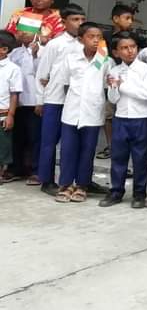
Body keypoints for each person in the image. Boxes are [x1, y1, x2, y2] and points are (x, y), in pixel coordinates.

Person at [52, 23, 110, 202]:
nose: (95, 40)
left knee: (87, 151)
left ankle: (82, 185)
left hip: (93, 112)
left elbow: (107, 85)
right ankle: (65, 184)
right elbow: (64, 83)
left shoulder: (104, 60)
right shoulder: (71, 59)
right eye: (91, 37)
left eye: (99, 37)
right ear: (80, 39)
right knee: (68, 150)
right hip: (71, 112)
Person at [99, 32, 147, 208]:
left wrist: (122, 85)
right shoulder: (115, 70)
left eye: (133, 47)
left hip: (142, 118)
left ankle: (139, 194)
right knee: (118, 157)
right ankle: (116, 191)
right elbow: (113, 99)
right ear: (116, 52)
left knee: (140, 158)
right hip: (121, 118)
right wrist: (114, 87)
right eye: (124, 48)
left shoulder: (146, 69)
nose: (130, 51)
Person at [34, 4, 86, 193]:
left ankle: (78, 181)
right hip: (55, 99)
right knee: (49, 141)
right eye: (75, 19)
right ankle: (46, 180)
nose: (80, 23)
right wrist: (40, 100)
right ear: (64, 22)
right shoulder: (55, 44)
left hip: (77, 100)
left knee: (75, 143)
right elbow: (42, 73)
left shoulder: (86, 44)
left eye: (82, 19)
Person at [97, 4, 140, 161]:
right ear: (115, 18)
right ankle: (111, 146)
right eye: (127, 18)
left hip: (131, 81)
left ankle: (131, 147)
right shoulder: (104, 37)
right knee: (109, 114)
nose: (130, 22)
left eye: (132, 19)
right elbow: (99, 59)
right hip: (110, 81)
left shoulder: (135, 37)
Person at [9, 27, 40, 181]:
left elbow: (43, 73)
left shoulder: (43, 50)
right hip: (18, 102)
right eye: (20, 30)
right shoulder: (14, 53)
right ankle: (17, 168)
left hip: (35, 101)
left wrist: (35, 55)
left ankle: (35, 170)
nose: (22, 33)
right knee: (18, 136)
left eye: (27, 30)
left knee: (35, 137)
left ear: (36, 32)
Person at [0, 31, 22, 182]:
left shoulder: (13, 69)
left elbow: (14, 94)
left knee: (3, 146)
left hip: (3, 113)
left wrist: (11, 115)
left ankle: (1, 172)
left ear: (4, 49)